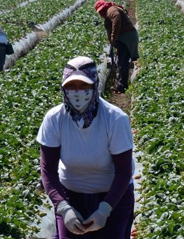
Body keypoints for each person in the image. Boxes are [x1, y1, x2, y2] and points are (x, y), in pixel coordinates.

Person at [37, 56, 135, 238]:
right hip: (71, 195)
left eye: (84, 86)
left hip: (114, 195)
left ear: (95, 86)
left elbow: (123, 172)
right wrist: (64, 208)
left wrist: (104, 210)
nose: (77, 93)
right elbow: (48, 170)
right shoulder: (54, 119)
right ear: (63, 88)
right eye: (71, 86)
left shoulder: (115, 119)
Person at [94, 0, 139, 94]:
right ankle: (121, 84)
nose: (101, 13)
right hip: (127, 37)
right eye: (100, 12)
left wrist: (113, 37)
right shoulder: (111, 10)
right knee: (121, 60)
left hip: (127, 38)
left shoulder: (111, 10)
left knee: (122, 61)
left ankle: (121, 85)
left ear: (105, 7)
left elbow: (116, 18)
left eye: (102, 10)